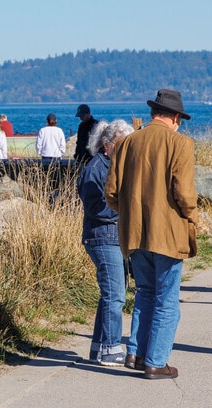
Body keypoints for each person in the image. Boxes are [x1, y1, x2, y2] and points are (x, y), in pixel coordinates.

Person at [105, 88, 197, 380]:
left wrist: (130, 212)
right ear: (175, 118)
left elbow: (111, 192)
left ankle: (135, 353)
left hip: (133, 232)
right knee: (167, 299)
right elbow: (184, 193)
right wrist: (192, 217)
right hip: (167, 232)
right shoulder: (180, 143)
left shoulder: (128, 142)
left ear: (153, 113)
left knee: (144, 292)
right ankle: (156, 362)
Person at [78, 118, 135, 366]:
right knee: (115, 296)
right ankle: (111, 347)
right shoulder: (96, 169)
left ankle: (98, 345)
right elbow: (96, 208)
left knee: (110, 293)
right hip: (102, 237)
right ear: (107, 145)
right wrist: (126, 209)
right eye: (122, 146)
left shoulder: (113, 166)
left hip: (113, 237)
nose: (126, 151)